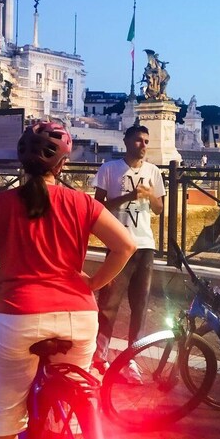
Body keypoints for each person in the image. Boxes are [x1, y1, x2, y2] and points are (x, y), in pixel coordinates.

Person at [0, 122, 135, 439]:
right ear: (63, 164)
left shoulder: (0, 204)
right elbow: (126, 246)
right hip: (79, 319)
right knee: (72, 406)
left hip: (18, 318)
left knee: (6, 417)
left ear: (23, 162)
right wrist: (93, 284)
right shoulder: (83, 203)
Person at [91, 125, 165, 376]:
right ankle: (99, 355)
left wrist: (150, 197)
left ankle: (130, 358)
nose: (143, 145)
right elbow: (97, 207)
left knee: (140, 305)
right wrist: (128, 196)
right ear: (126, 141)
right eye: (138, 141)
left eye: (146, 141)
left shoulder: (153, 172)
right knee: (109, 302)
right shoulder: (109, 169)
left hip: (145, 245)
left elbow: (159, 209)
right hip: (118, 244)